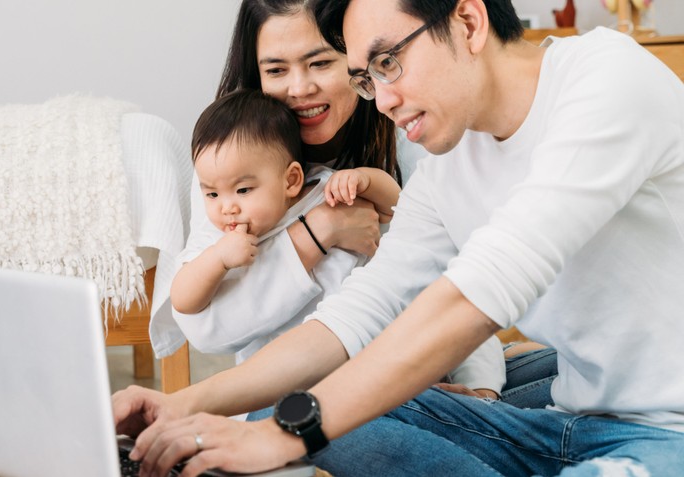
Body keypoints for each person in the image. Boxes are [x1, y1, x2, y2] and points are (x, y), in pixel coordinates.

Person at [115, 0, 684, 476]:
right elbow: (361, 310)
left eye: (389, 62)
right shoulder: (449, 159)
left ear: (467, 21)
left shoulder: (607, 79)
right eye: (367, 77)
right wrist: (181, 404)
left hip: (668, 432)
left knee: (302, 422)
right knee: (302, 406)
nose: (381, 99)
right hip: (569, 418)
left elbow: (476, 296)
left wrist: (289, 437)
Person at [150, 0, 513, 402]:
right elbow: (206, 328)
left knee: (539, 376)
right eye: (275, 70)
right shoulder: (230, 168)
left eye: (320, 63)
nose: (300, 89)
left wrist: (483, 387)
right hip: (287, 393)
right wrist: (318, 232)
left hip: (411, 372)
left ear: (359, 56)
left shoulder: (416, 135)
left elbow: (456, 279)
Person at [171, 89, 401, 364]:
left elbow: (396, 208)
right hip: (281, 370)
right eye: (211, 194)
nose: (226, 207)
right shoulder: (219, 236)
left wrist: (366, 180)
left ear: (291, 180)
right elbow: (183, 300)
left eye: (243, 189)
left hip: (365, 350)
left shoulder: (325, 191)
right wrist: (218, 259)